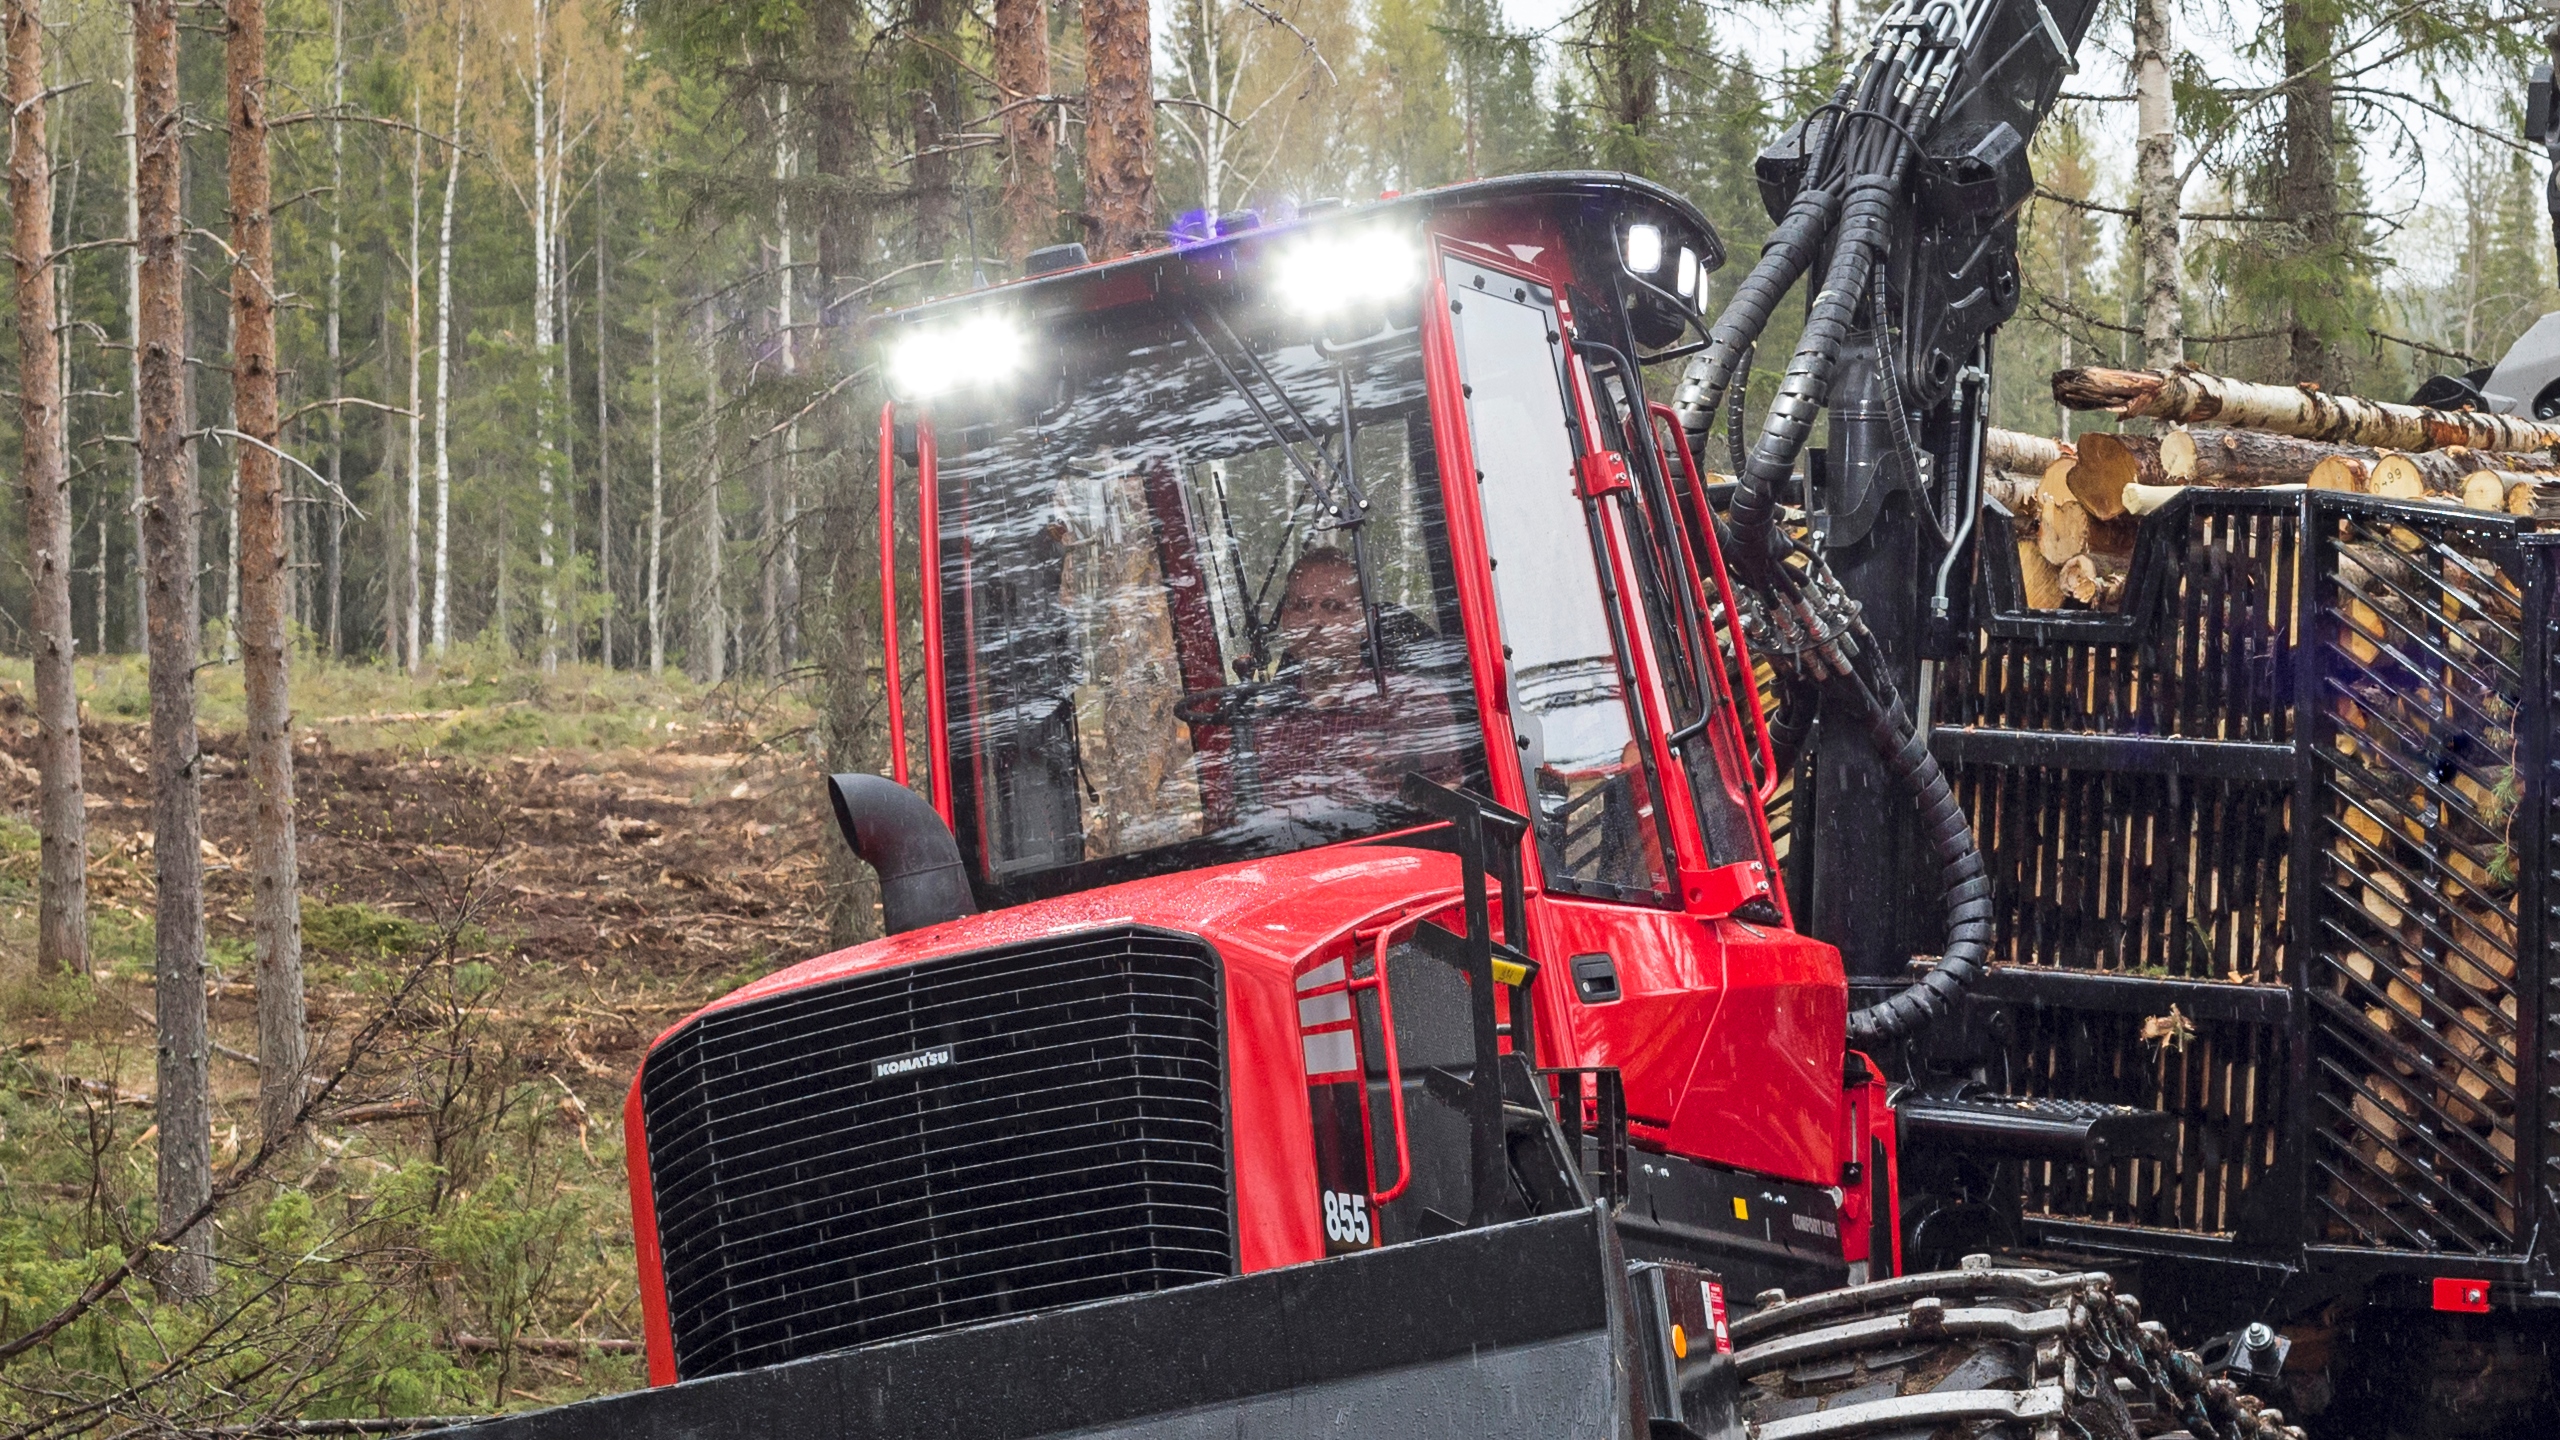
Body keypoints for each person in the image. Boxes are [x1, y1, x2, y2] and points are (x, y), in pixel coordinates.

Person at [1248, 546, 1474, 822]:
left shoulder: (1413, 705)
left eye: (1333, 607)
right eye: (1302, 606)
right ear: (1286, 620)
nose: (1315, 620)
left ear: (1365, 621)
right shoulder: (1263, 725)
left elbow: (1443, 820)